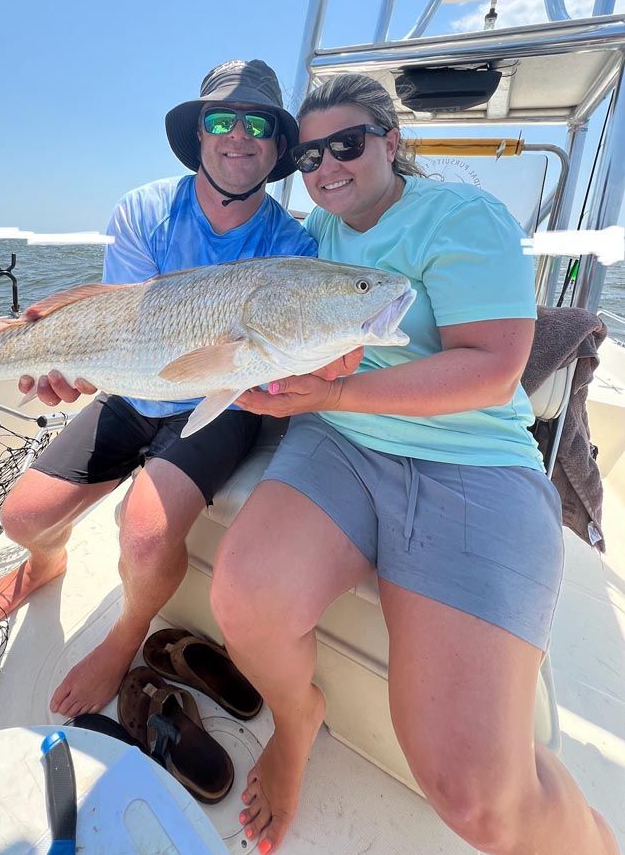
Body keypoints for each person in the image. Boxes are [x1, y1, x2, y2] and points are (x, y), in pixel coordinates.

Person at [211, 73, 617, 854]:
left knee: (477, 796)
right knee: (246, 600)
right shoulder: (317, 235)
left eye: (347, 144)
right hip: (340, 448)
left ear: (391, 142)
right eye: (308, 154)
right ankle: (296, 723)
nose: (326, 165)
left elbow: (493, 370)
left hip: (471, 465)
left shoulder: (461, 216)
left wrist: (330, 395)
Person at [0, 59, 317, 718]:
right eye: (220, 119)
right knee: (21, 516)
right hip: (133, 390)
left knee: (142, 532)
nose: (238, 135)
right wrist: (69, 364)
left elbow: (272, 353)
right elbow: (124, 319)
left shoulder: (293, 243)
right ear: (198, 135)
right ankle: (47, 560)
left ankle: (126, 635)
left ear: (278, 146)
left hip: (218, 402)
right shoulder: (144, 209)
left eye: (258, 123)